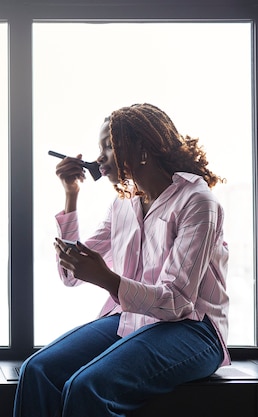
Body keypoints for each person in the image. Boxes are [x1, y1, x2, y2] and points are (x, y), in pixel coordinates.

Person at [13, 103, 229, 417]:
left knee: (87, 386)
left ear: (141, 150)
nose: (100, 157)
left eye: (109, 147)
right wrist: (71, 195)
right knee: (37, 369)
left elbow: (178, 302)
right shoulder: (123, 205)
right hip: (132, 319)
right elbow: (71, 274)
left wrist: (107, 279)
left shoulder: (197, 202)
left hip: (194, 330)